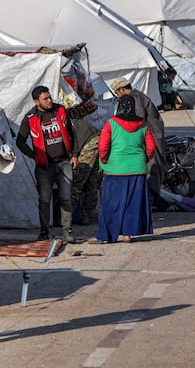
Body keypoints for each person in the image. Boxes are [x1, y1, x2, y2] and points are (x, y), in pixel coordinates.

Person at [89, 94, 156, 244]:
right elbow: (151, 147)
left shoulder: (111, 124)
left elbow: (103, 146)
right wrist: (143, 160)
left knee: (110, 204)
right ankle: (127, 234)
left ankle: (105, 236)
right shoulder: (143, 124)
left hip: (115, 169)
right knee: (132, 203)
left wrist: (105, 161)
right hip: (137, 169)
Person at [16, 85, 79, 243]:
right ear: (37, 101)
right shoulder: (31, 118)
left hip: (64, 162)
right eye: (46, 98)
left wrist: (75, 155)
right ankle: (44, 232)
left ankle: (67, 232)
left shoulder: (60, 111)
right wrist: (34, 155)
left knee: (66, 199)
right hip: (44, 167)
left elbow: (72, 133)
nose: (50, 100)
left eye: (50, 97)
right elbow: (20, 141)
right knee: (45, 200)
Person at [109, 77, 166, 208]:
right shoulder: (139, 96)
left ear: (122, 90)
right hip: (151, 139)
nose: (117, 97)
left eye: (117, 94)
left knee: (149, 175)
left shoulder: (134, 99)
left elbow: (135, 124)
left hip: (149, 142)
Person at [70, 117, 102, 226]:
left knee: (78, 181)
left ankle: (67, 216)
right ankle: (87, 215)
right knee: (92, 182)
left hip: (90, 142)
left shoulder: (62, 123)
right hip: (95, 139)